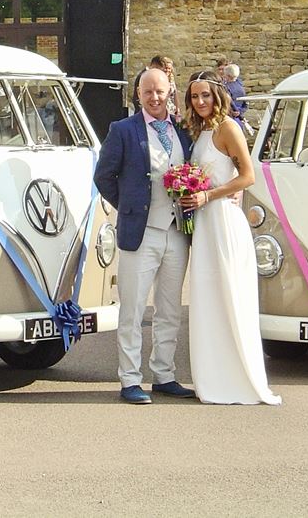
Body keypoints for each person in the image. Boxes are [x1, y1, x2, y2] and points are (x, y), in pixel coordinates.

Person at [178, 70, 280, 405]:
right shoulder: (200, 130)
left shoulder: (227, 128)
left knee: (230, 295)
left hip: (223, 219)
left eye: (205, 95)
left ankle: (238, 378)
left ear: (218, 95)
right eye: (195, 96)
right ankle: (213, 377)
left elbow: (248, 176)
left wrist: (209, 195)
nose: (200, 101)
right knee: (208, 298)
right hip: (204, 223)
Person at [94, 67, 195, 404]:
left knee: (170, 309)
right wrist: (129, 207)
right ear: (138, 94)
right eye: (147, 91)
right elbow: (104, 176)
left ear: (170, 93)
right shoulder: (123, 130)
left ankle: (164, 374)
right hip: (140, 233)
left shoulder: (182, 131)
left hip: (176, 232)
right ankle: (130, 379)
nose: (154, 97)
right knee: (133, 309)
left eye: (160, 91)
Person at [221, 64, 248, 130]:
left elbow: (229, 101)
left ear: (228, 76)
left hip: (230, 117)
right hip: (238, 117)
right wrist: (240, 112)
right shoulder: (240, 85)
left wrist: (234, 111)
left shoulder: (225, 87)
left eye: (225, 74)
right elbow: (246, 104)